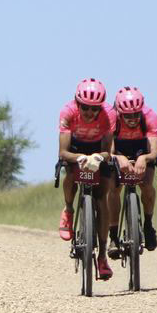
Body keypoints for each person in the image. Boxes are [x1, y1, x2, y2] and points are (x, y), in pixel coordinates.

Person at [57, 78, 116, 280]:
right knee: (71, 174)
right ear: (77, 103)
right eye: (85, 108)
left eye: (94, 109)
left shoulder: (109, 115)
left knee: (102, 197)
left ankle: (102, 257)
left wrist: (99, 157)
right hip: (75, 148)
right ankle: (69, 209)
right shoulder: (67, 112)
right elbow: (63, 152)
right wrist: (79, 158)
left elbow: (109, 151)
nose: (89, 113)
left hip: (98, 149)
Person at [107, 86, 157, 254]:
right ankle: (113, 236)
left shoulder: (150, 116)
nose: (132, 119)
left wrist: (144, 158)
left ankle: (148, 224)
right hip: (119, 149)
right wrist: (118, 157)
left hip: (142, 150)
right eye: (127, 116)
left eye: (136, 114)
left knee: (146, 185)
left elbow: (154, 151)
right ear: (119, 112)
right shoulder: (111, 117)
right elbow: (108, 150)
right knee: (114, 189)